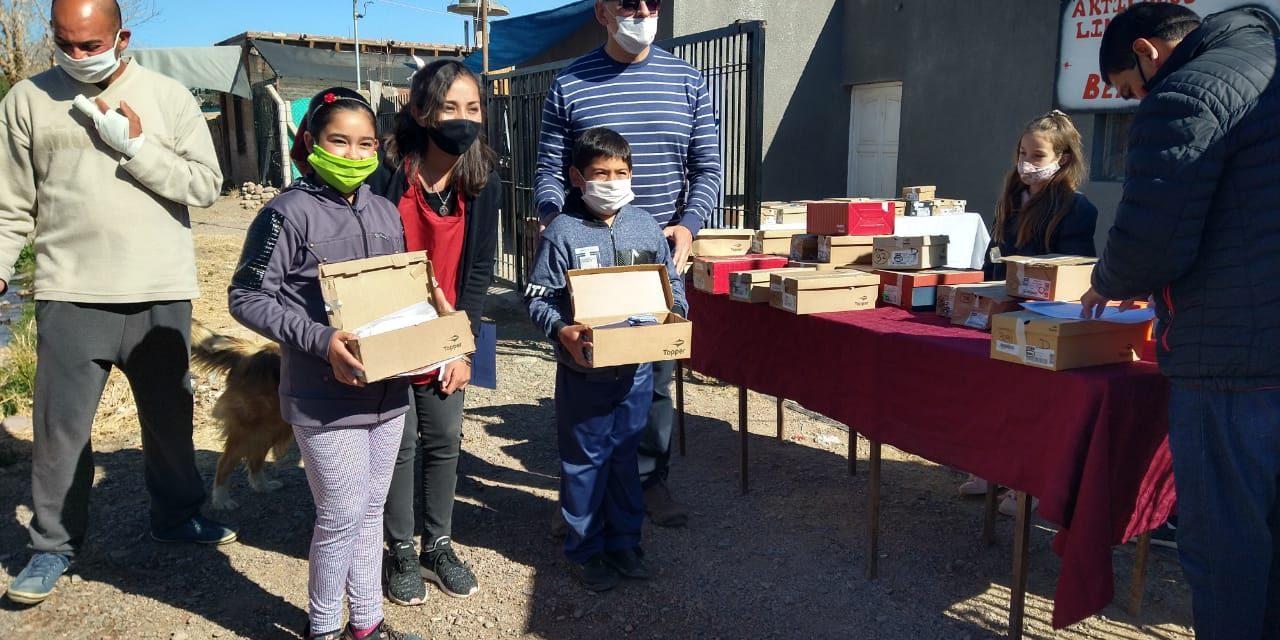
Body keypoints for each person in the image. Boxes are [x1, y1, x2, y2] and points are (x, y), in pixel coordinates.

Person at [0, 0, 235, 606]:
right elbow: (10, 206)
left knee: (168, 418)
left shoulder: (169, 97)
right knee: (59, 431)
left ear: (120, 36)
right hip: (69, 291)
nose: (78, 56)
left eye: (91, 44)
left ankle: (177, 516)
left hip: (159, 290)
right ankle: (52, 546)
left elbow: (206, 186)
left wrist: (135, 147)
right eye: (66, 43)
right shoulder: (25, 102)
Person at [1081, 5, 1280, 638]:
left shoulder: (1188, 93)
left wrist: (1106, 281)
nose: (1135, 102)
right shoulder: (1266, 68)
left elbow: (1150, 241)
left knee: (1226, 550)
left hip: (1233, 361)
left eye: (1129, 90)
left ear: (1148, 52)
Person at [228, 87, 422, 640]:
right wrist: (318, 338)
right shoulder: (284, 215)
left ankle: (366, 624)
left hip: (387, 392)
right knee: (339, 515)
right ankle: (322, 628)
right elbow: (246, 296)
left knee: (370, 510)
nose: (355, 154)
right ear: (311, 141)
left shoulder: (386, 209)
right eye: (340, 140)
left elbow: (403, 292)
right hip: (322, 395)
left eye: (366, 144)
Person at [534, 0, 721, 529]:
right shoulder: (569, 82)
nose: (641, 10)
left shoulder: (687, 80)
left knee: (654, 376)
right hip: (587, 252)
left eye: (652, 2)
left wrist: (687, 225)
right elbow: (548, 165)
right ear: (602, 11)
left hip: (655, 250)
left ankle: (648, 480)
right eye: (627, 2)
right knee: (588, 369)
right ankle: (583, 490)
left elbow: (707, 166)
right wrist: (554, 219)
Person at [526, 127, 688, 591]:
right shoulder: (562, 231)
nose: (611, 181)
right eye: (600, 173)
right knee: (586, 462)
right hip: (585, 373)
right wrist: (563, 331)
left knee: (626, 459)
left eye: (620, 172)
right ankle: (584, 548)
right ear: (578, 177)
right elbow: (538, 298)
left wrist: (676, 314)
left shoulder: (645, 224)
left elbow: (670, 285)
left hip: (636, 372)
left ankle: (624, 542)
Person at [367, 59, 500, 605]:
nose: (462, 119)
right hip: (389, 328)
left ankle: (438, 542)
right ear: (421, 112)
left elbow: (481, 268)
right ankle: (399, 547)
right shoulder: (388, 172)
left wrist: (462, 344)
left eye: (473, 108)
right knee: (399, 444)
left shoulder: (482, 178)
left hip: (446, 330)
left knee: (444, 437)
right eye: (450, 108)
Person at [966, 110, 1099, 515]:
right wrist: (984, 296)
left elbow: (1073, 270)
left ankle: (1028, 485)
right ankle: (991, 469)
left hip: (1043, 316)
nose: (1026, 163)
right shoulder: (1010, 193)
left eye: (1037, 156)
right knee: (994, 395)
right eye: (1023, 152)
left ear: (1061, 158)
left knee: (1033, 403)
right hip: (1003, 309)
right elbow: (994, 255)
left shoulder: (1077, 209)